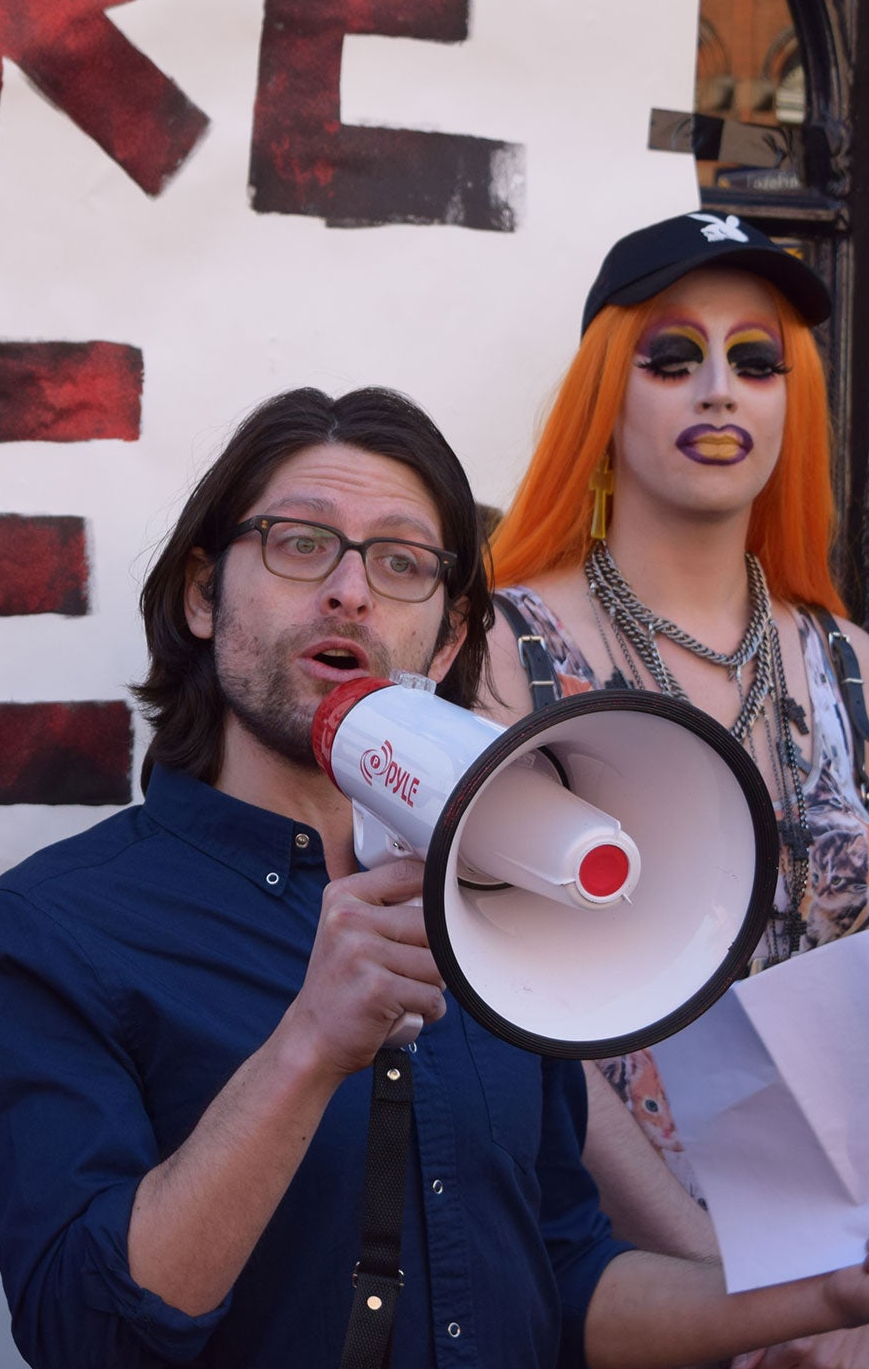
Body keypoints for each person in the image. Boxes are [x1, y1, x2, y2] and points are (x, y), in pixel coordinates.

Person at [0, 385, 869, 1368]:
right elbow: (81, 1334)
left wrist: (814, 1296)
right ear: (199, 593)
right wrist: (304, 1049)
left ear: (441, 641)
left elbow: (564, 1275)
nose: (348, 591)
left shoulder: (505, 914)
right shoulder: (55, 927)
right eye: (298, 542)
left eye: (399, 562)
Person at [485, 211, 869, 1357]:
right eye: (670, 359)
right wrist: (733, 1295)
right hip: (609, 1263)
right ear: (607, 391)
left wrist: (836, 1297)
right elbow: (500, 1011)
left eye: (754, 362)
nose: (717, 392)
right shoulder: (503, 653)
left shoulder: (848, 665)